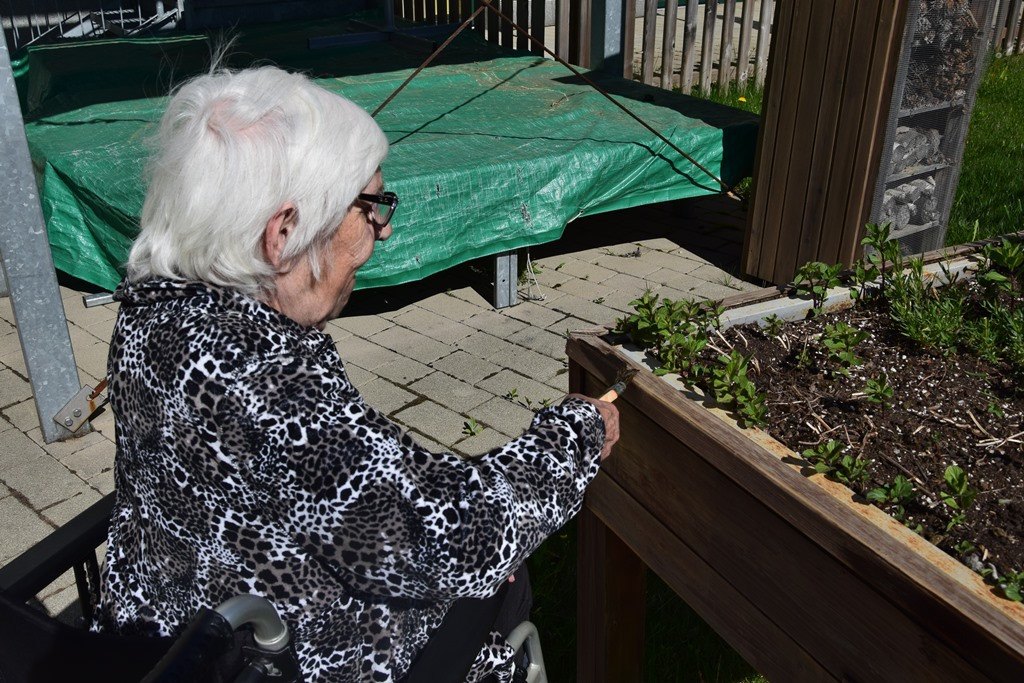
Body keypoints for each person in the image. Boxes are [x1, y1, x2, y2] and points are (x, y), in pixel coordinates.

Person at [93, 64, 619, 682]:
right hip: (279, 655)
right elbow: (455, 535)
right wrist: (576, 435)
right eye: (369, 205)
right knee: (504, 579)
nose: (385, 226)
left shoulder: (153, 306)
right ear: (283, 233)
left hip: (167, 622)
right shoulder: (270, 377)